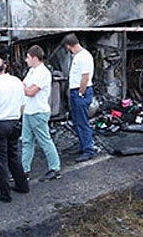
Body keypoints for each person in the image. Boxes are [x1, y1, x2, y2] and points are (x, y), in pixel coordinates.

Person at [0, 57, 29, 203]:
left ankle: (5, 194)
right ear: (5, 67)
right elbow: (23, 105)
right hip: (15, 122)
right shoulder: (17, 81)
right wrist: (16, 119)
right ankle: (22, 185)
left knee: (0, 161)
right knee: (13, 155)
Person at [21, 45, 61, 182]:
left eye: (28, 57)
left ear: (34, 58)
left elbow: (31, 92)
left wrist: (22, 87)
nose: (26, 60)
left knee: (45, 141)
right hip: (29, 111)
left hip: (38, 111)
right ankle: (24, 170)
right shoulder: (32, 71)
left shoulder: (43, 73)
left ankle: (55, 169)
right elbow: (25, 87)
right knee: (27, 142)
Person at [63, 33, 96, 162]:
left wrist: (81, 93)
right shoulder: (79, 56)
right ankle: (83, 146)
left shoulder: (83, 57)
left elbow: (85, 77)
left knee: (82, 122)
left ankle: (88, 150)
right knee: (77, 121)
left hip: (81, 92)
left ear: (69, 46)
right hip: (77, 92)